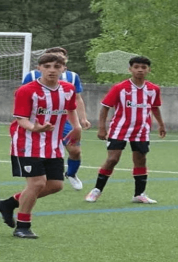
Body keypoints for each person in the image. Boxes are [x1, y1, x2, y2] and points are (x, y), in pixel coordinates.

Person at [0, 53, 82, 238]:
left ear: (64, 69)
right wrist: (34, 128)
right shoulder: (27, 90)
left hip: (53, 145)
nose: (52, 70)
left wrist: (77, 127)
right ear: (39, 68)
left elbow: (71, 109)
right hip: (27, 143)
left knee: (55, 185)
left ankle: (8, 203)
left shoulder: (68, 89)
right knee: (37, 183)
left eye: (56, 66)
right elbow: (20, 118)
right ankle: (22, 226)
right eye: (47, 66)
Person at [85, 56, 166, 204]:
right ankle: (96, 190)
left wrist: (161, 124)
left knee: (140, 160)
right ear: (130, 69)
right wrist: (102, 128)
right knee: (112, 159)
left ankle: (139, 194)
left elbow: (154, 107)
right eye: (136, 67)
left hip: (141, 130)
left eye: (143, 67)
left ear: (148, 70)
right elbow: (105, 108)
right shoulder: (120, 88)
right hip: (119, 129)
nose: (140, 70)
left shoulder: (153, 89)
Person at [22, 47, 92, 190]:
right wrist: (24, 120)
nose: (53, 66)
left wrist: (82, 119)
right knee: (41, 152)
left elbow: (77, 99)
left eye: (59, 59)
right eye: (50, 60)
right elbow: (22, 97)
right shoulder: (32, 75)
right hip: (39, 121)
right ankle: (39, 178)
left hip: (64, 121)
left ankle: (71, 174)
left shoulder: (72, 77)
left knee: (75, 151)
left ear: (65, 61)